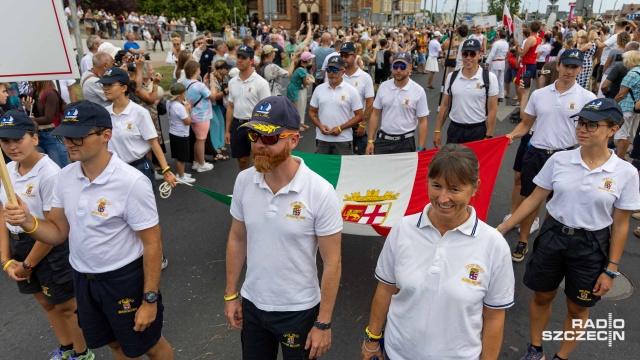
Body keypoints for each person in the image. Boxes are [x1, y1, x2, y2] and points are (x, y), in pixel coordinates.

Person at [3, 100, 175, 359]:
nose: (70, 142)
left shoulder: (131, 182)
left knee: (149, 344)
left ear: (106, 135)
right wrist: (29, 222)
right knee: (114, 344)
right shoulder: (65, 177)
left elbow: (152, 244)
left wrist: (149, 299)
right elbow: (58, 232)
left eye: (79, 136)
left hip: (122, 279)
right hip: (83, 278)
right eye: (65, 136)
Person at [498, 99, 640, 360]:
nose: (582, 129)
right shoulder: (560, 160)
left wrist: (611, 269)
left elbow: (621, 224)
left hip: (591, 246)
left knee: (577, 308)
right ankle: (535, 349)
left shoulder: (626, 173)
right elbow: (533, 198)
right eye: (581, 122)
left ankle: (561, 356)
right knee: (542, 296)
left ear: (613, 129)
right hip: (553, 236)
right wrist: (502, 228)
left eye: (592, 125)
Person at [362, 143, 515, 360]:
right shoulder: (403, 229)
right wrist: (372, 339)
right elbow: (386, 289)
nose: (443, 199)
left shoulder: (494, 245)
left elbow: (494, 317)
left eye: (454, 189)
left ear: (475, 187)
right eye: (436, 186)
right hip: (395, 354)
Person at [224, 96, 342, 360]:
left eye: (269, 138)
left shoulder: (320, 192)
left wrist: (323, 322)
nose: (258, 146)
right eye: (254, 135)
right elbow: (237, 238)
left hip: (298, 310)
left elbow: (332, 263)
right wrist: (231, 294)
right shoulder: (244, 181)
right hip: (253, 304)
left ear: (294, 139)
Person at [0, 110, 94, 360]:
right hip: (19, 245)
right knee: (46, 303)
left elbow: (52, 228)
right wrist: (6, 259)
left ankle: (82, 353)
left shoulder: (50, 173)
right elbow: (3, 214)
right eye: (5, 141)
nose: (11, 146)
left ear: (34, 138)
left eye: (18, 139)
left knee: (66, 306)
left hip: (46, 247)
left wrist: (28, 265)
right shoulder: (7, 170)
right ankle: (66, 348)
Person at [505, 50, 596, 262]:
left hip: (566, 156)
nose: (569, 71)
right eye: (566, 66)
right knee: (530, 199)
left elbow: (591, 131)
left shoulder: (587, 98)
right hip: (536, 153)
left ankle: (544, 241)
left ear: (580, 70)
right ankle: (523, 241)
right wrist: (511, 135)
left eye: (574, 67)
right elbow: (526, 124)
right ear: (558, 66)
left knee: (556, 204)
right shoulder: (539, 94)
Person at [99, 67, 177, 196]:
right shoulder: (105, 113)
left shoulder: (139, 113)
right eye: (103, 85)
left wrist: (166, 170)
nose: (105, 88)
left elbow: (153, 142)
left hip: (138, 168)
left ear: (124, 88)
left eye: (110, 85)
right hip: (114, 170)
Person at [434, 39, 499, 148]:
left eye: (472, 54)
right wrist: (437, 130)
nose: (468, 58)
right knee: (452, 164)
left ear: (479, 55)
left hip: (477, 130)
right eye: (465, 54)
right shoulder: (452, 77)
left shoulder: (489, 78)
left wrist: (488, 135)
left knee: (475, 165)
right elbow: (445, 105)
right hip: (455, 130)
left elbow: (492, 109)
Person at [366, 52, 428, 155]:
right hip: (383, 141)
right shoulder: (383, 87)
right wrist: (370, 141)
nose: (398, 70)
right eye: (395, 66)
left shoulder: (418, 91)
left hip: (405, 143)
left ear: (410, 68)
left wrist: (421, 148)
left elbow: (422, 121)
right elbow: (375, 114)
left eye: (403, 67)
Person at [224, 45, 270, 171]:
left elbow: (267, 110)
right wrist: (227, 130)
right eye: (238, 57)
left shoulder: (261, 83)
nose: (239, 60)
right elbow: (231, 107)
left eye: (243, 58)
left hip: (255, 126)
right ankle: (244, 187)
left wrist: (263, 132)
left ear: (251, 60)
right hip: (238, 126)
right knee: (242, 161)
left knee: (259, 160)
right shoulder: (232, 82)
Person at [309, 55, 363, 155]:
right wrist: (320, 125)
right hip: (322, 139)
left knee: (342, 169)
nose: (331, 73)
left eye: (335, 70)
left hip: (343, 140)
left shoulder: (351, 91)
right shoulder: (319, 89)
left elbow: (359, 115)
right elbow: (312, 112)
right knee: (321, 168)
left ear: (343, 71)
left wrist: (341, 128)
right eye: (329, 69)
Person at [24, 81, 70, 168]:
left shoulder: (50, 93)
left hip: (50, 135)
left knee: (59, 167)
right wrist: (28, 109)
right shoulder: (33, 93)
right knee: (44, 168)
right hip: (38, 134)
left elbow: (48, 118)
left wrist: (29, 120)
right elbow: (34, 115)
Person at [340, 42, 374, 155]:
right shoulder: (336, 75)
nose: (343, 58)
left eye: (346, 55)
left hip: (357, 126)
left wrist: (363, 124)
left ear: (354, 56)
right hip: (339, 125)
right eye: (341, 55)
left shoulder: (365, 77)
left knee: (359, 159)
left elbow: (369, 103)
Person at [182, 60, 216, 172]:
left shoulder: (185, 82)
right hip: (202, 116)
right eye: (199, 68)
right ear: (196, 70)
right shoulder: (199, 85)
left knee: (198, 140)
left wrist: (204, 83)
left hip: (192, 114)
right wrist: (212, 81)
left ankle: (196, 162)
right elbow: (212, 96)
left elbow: (198, 93)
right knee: (201, 140)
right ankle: (201, 164)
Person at [613, 50, 640, 159]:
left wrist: (613, 104)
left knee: (622, 135)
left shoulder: (632, 74)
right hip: (636, 107)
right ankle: (624, 156)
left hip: (626, 107)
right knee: (628, 133)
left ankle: (619, 159)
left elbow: (622, 94)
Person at [166, 83, 195, 183]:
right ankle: (181, 177)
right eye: (184, 93)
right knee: (181, 157)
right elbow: (187, 122)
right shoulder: (179, 107)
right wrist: (187, 110)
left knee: (178, 156)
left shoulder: (169, 102)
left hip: (173, 132)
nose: (185, 94)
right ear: (179, 96)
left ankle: (180, 173)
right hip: (180, 134)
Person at [286, 51, 314, 131]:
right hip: (294, 89)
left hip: (292, 88)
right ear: (308, 60)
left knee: (298, 107)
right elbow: (305, 83)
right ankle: (296, 125)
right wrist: (310, 81)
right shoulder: (302, 71)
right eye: (310, 59)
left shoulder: (299, 68)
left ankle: (300, 123)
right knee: (296, 108)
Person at [487, 30, 509, 102]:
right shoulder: (506, 43)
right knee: (500, 80)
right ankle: (501, 95)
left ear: (499, 35)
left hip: (495, 62)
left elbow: (492, 54)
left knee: (493, 79)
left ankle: (494, 94)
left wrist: (487, 63)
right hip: (502, 62)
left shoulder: (497, 43)